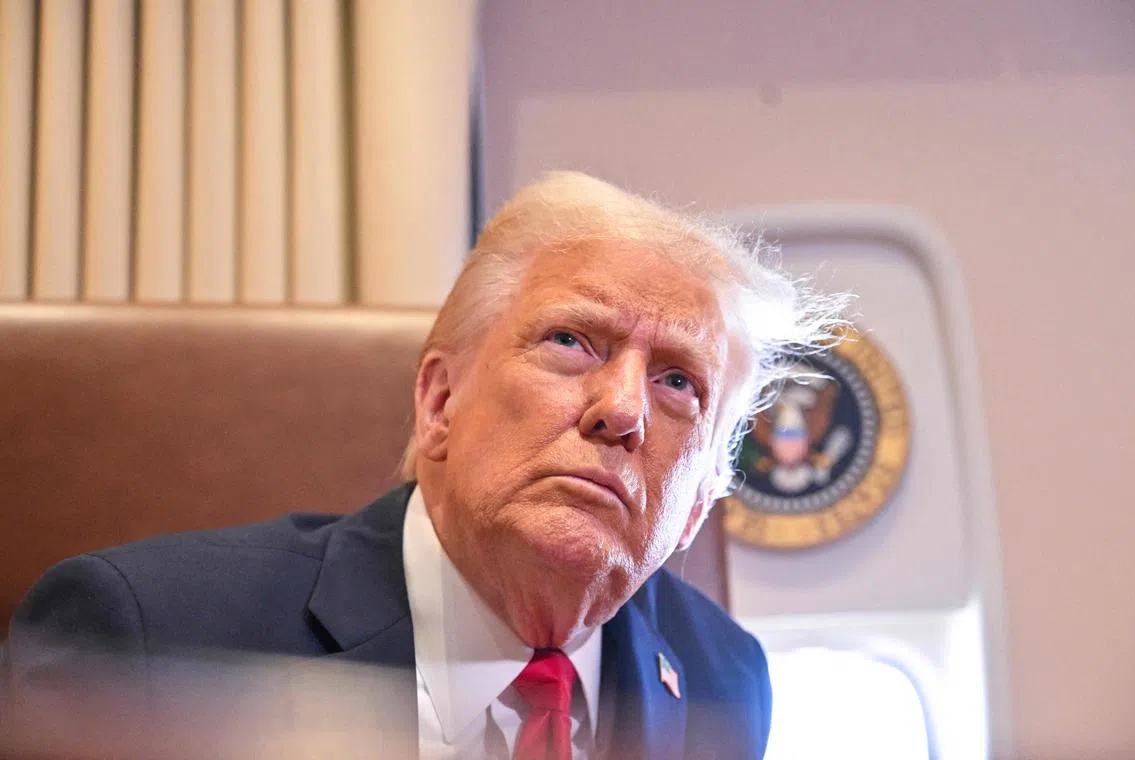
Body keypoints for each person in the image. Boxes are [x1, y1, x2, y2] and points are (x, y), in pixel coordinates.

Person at [4, 172, 847, 759]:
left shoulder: (722, 680)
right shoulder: (147, 641)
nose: (623, 409)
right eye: (570, 340)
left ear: (699, 502)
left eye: (678, 383)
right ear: (440, 402)